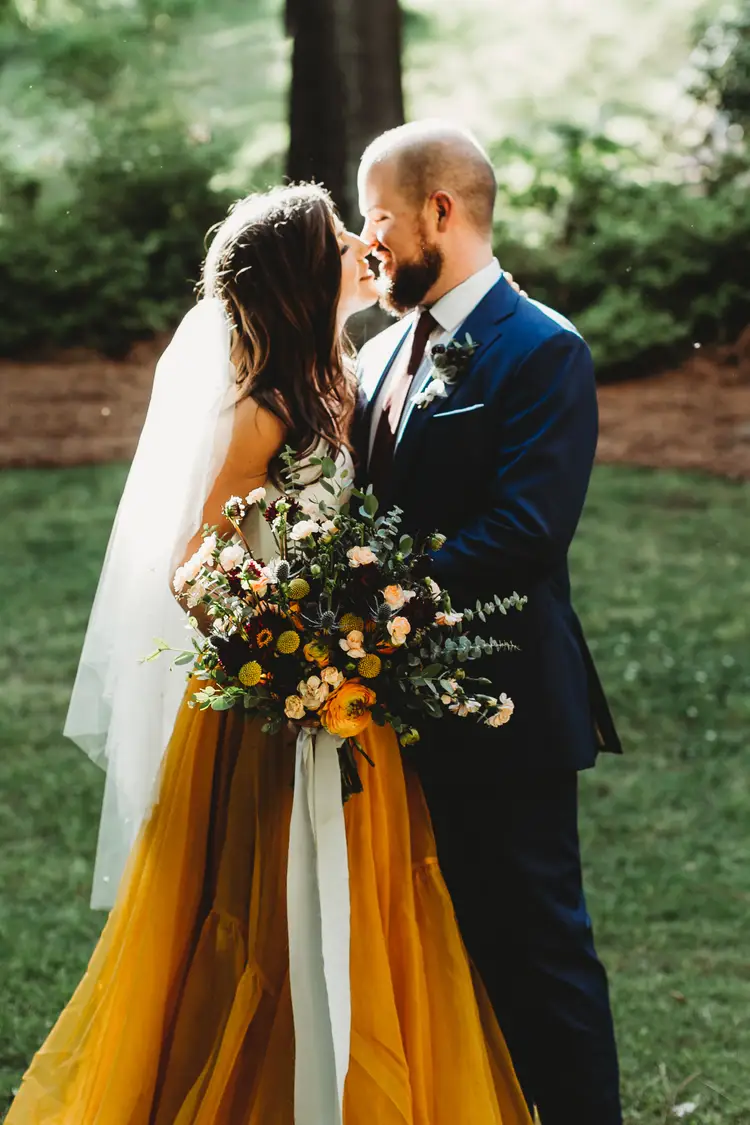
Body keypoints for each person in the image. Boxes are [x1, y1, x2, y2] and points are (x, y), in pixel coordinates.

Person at [5, 184, 532, 1125]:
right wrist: (293, 652)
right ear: (302, 275)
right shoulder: (264, 409)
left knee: (363, 910)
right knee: (276, 918)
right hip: (279, 715)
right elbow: (192, 567)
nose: (361, 245)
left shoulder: (341, 375)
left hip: (349, 704)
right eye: (339, 239)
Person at [355, 120, 624, 1125]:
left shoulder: (542, 349)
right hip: (382, 708)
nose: (368, 241)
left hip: (504, 704)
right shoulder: (381, 352)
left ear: (441, 210)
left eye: (379, 217)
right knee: (430, 950)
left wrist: (373, 592)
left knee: (536, 952)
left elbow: (525, 528)